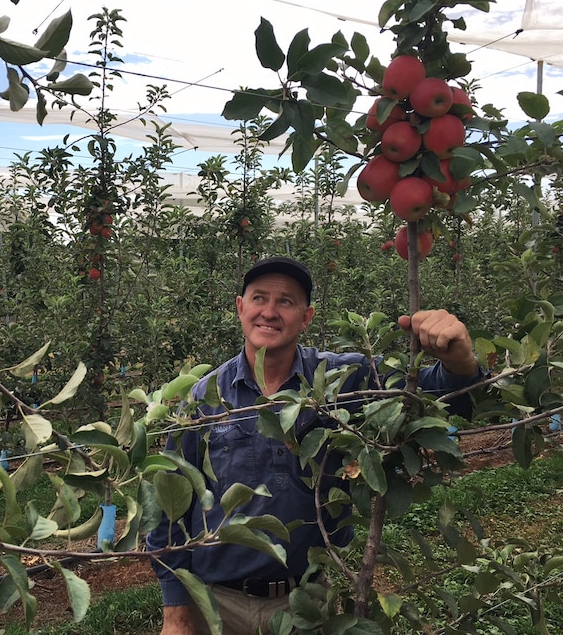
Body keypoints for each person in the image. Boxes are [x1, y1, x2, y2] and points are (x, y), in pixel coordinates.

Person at [145, 256, 485, 635]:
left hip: (307, 602)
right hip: (214, 605)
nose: (269, 312)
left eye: (286, 301)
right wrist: (175, 613)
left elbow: (443, 395)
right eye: (259, 298)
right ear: (240, 307)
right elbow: (168, 509)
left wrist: (460, 360)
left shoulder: (345, 379)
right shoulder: (204, 398)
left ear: (306, 317)